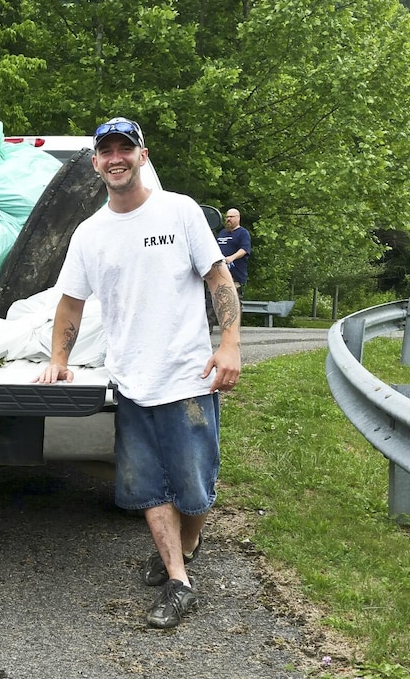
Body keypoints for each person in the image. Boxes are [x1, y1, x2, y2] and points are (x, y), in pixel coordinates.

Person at [34, 117, 241, 629]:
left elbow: (219, 280)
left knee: (196, 488)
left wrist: (231, 344)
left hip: (188, 377)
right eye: (106, 151)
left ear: (142, 156)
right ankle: (178, 578)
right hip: (131, 381)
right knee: (147, 485)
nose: (116, 158)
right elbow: (70, 303)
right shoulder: (90, 233)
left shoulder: (180, 211)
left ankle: (188, 545)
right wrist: (59, 359)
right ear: (95, 164)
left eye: (125, 148)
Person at [217, 208, 251, 297]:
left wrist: (232, 257)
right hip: (219, 276)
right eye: (227, 217)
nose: (228, 219)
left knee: (231, 305)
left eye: (231, 217)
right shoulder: (222, 233)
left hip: (234, 277)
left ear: (238, 218)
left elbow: (244, 249)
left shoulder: (243, 233)